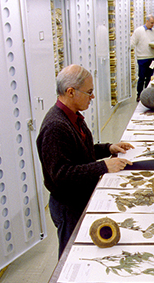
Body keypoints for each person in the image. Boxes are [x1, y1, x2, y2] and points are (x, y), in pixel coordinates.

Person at [37, 64, 133, 257]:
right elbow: (61, 175)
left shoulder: (71, 117)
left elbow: (80, 152)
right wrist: (103, 167)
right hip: (68, 206)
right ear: (70, 92)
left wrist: (108, 148)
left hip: (78, 198)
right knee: (70, 254)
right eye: (89, 92)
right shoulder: (55, 127)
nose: (93, 97)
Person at [131, 15, 154, 101]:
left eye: (153, 23)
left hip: (152, 58)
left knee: (150, 77)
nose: (152, 25)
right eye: (151, 23)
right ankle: (139, 94)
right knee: (141, 77)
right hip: (142, 58)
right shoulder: (138, 31)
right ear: (146, 21)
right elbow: (132, 43)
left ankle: (147, 94)